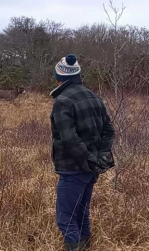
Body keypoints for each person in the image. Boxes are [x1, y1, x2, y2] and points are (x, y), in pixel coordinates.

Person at [50, 54, 115, 250]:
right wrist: (100, 158)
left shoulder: (62, 101)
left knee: (65, 218)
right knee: (81, 212)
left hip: (73, 169)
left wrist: (88, 159)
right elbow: (109, 130)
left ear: (59, 77)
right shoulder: (94, 97)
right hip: (91, 169)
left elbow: (70, 139)